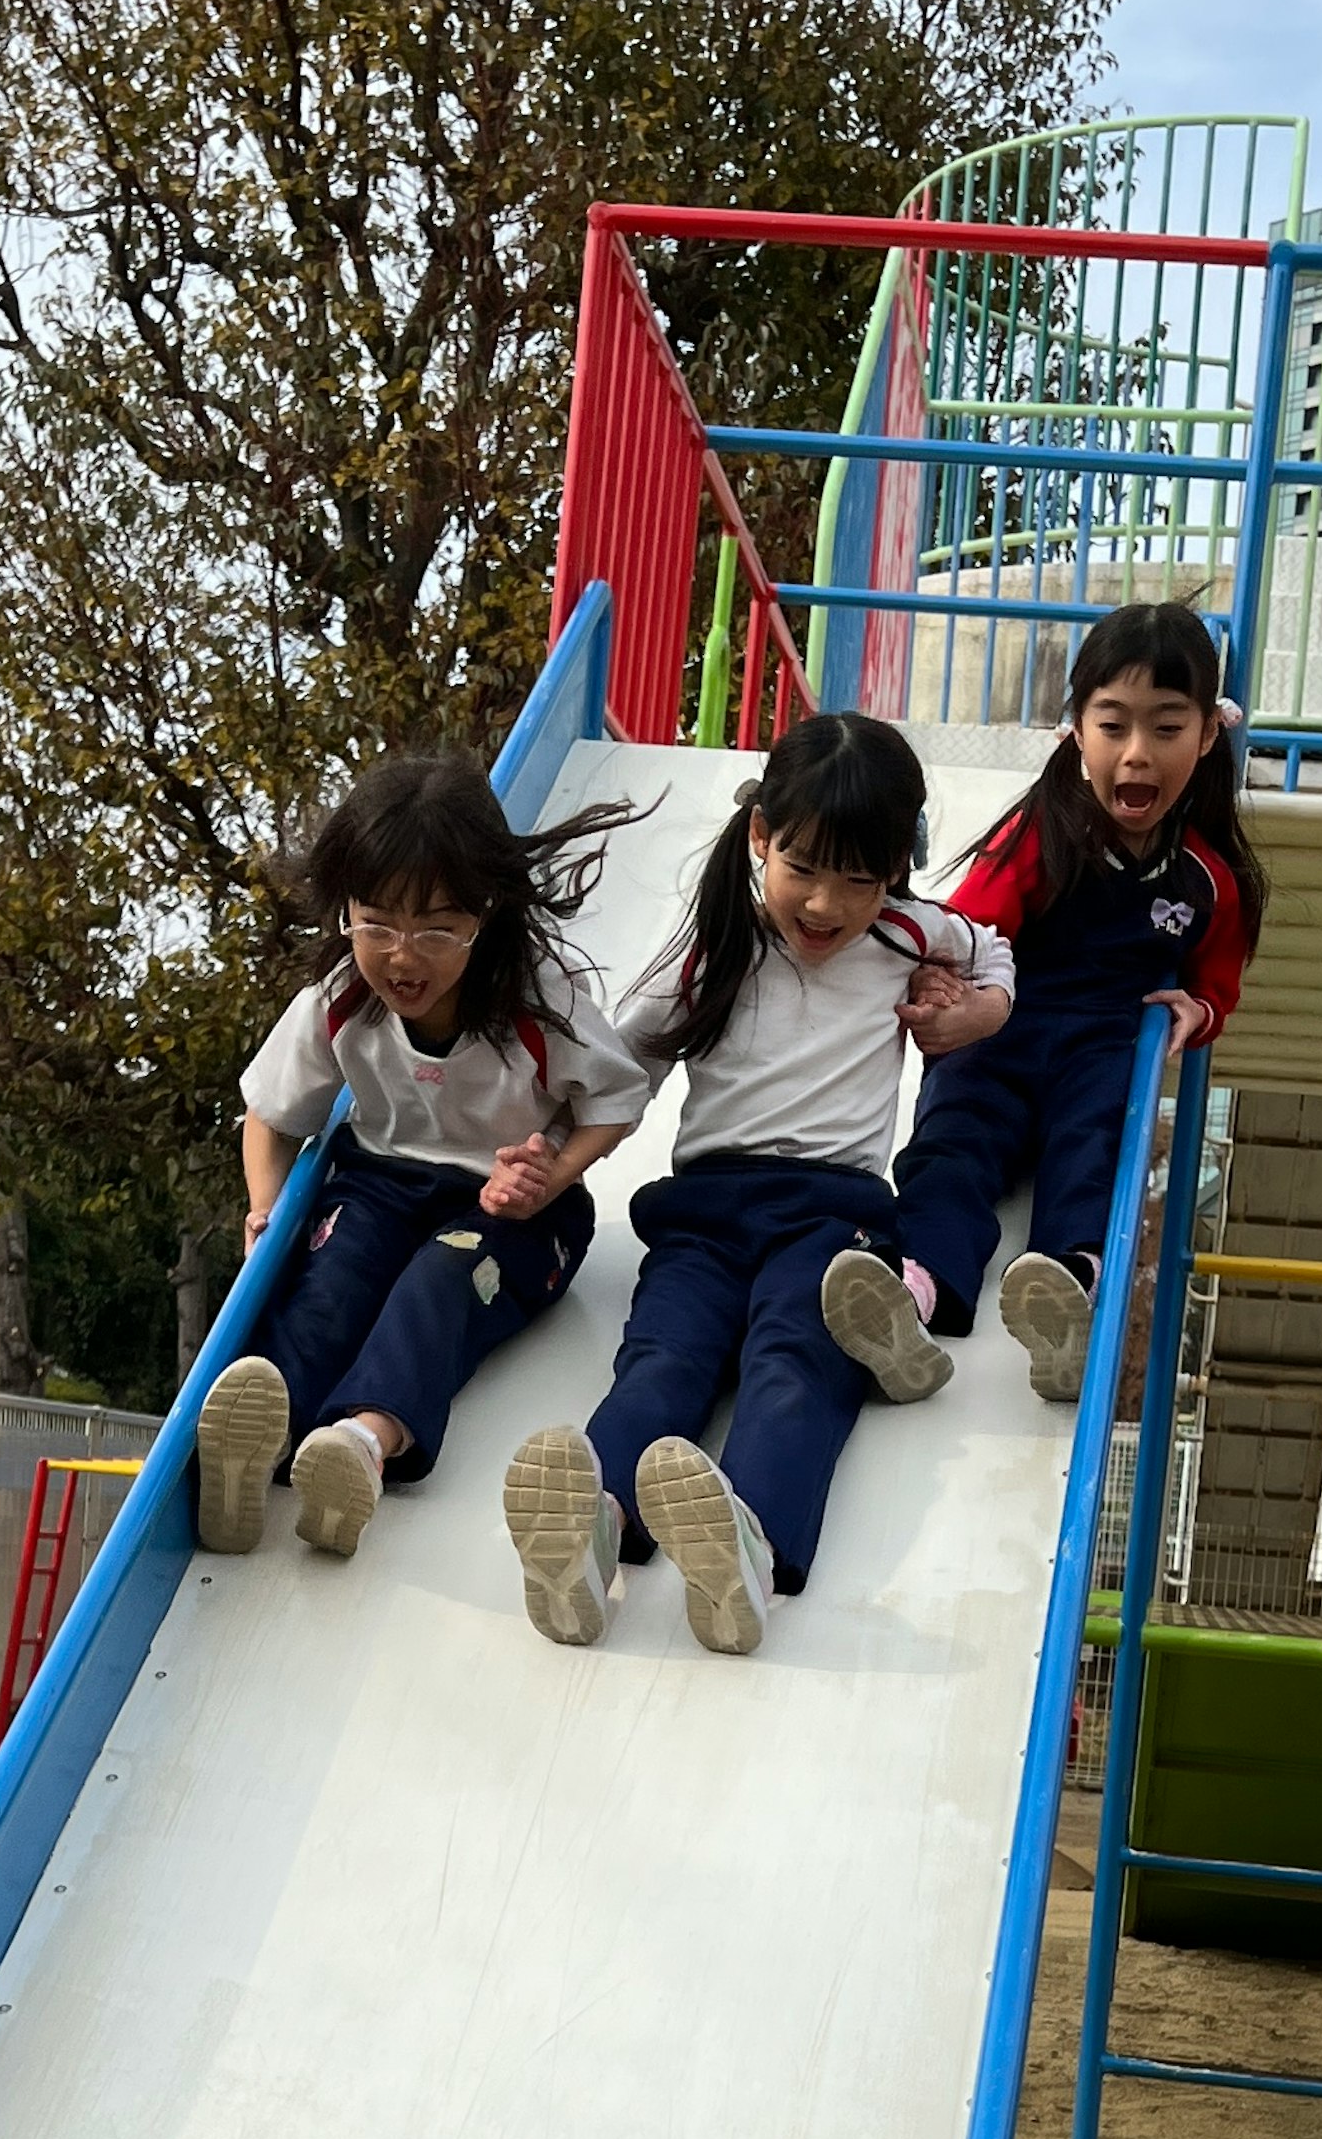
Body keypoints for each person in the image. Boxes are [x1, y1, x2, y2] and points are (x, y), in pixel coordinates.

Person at [500, 708, 1011, 1659]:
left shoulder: (908, 936)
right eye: (804, 868)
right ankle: (594, 1533)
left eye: (859, 879)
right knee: (663, 1362)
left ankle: (749, 1545)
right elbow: (620, 1068)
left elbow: (991, 951)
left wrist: (977, 1014)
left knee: (796, 1361)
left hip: (832, 1218)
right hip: (703, 1218)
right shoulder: (715, 947)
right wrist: (550, 1150)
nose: (825, 904)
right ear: (761, 837)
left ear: (895, 868)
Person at [199, 752, 652, 1562]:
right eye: (375, 923)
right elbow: (268, 1117)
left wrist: (554, 1173)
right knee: (325, 1289)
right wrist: (265, 1208)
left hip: (506, 1209)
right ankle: (257, 1449)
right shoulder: (342, 996)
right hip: (377, 1185)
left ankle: (362, 1446)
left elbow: (617, 1102)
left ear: (484, 914)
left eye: (436, 930)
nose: (402, 957)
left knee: (438, 1284)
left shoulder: (536, 1002)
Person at [884, 599, 1262, 1404]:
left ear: (1206, 734)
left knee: (1094, 1149)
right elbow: (971, 927)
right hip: (1004, 1031)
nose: (1137, 754)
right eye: (1113, 724)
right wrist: (946, 989)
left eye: (1166, 728)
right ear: (1077, 730)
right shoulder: (1044, 834)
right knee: (955, 1142)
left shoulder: (1208, 880)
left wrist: (1198, 1012)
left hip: (1101, 1047)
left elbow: (1216, 977)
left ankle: (1071, 1294)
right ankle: (915, 1290)